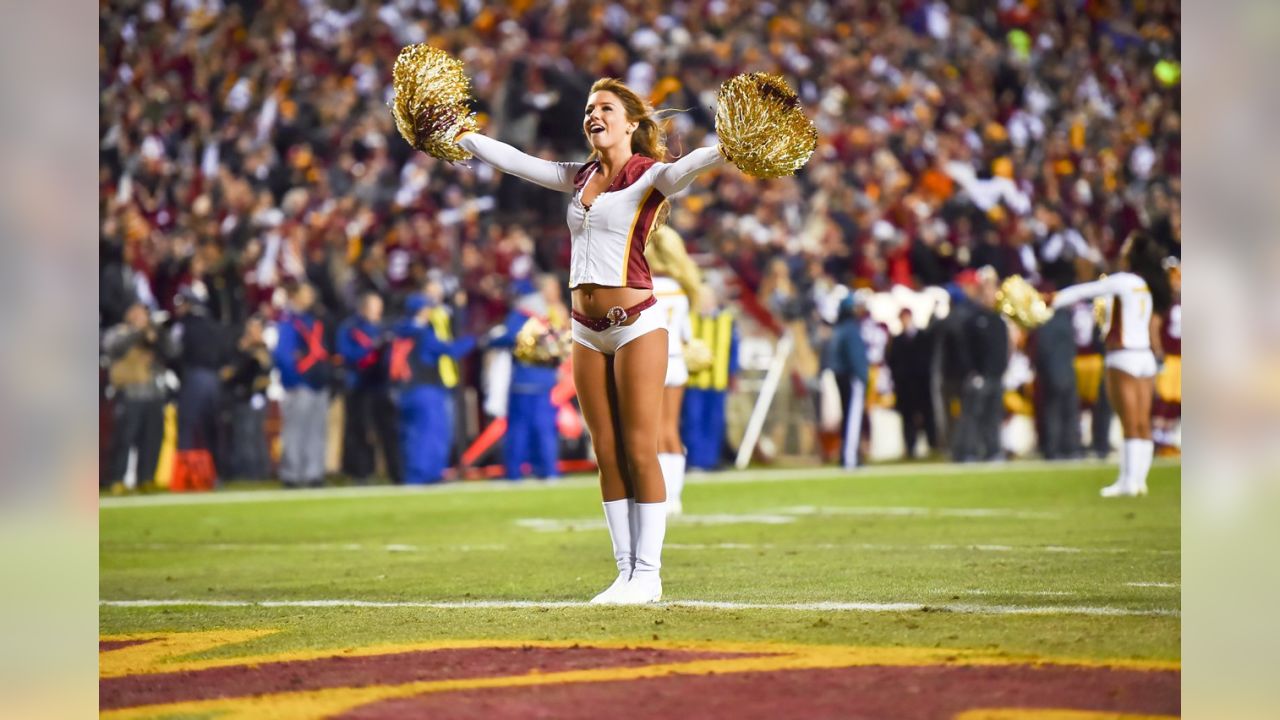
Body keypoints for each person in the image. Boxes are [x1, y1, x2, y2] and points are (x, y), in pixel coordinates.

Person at [453, 78, 741, 604]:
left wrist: (729, 145)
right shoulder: (579, 175)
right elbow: (516, 161)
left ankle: (649, 574)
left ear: (630, 122)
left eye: (605, 107)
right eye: (589, 109)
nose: (593, 115)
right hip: (584, 330)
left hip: (636, 323)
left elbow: (688, 166)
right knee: (605, 450)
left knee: (638, 445)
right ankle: (625, 571)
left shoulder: (648, 176)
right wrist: (461, 137)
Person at [1050, 233, 1173, 496]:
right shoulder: (1148, 284)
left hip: (1124, 357)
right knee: (1142, 422)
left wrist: (1052, 299)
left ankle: (1128, 482)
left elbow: (1085, 290)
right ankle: (1139, 481)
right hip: (1145, 358)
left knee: (1129, 422)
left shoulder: (1125, 280)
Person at [389, 291, 476, 485]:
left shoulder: (398, 332)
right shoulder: (423, 334)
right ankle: (428, 475)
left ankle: (411, 476)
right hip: (426, 390)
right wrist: (474, 339)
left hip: (404, 391)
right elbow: (452, 351)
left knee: (411, 435)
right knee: (432, 434)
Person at [487, 276, 567, 481]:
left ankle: (514, 473)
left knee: (518, 430)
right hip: (545, 382)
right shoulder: (544, 318)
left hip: (523, 382)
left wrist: (491, 339)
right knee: (545, 429)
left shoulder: (521, 316)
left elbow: (509, 337)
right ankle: (548, 470)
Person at [645, 226, 702, 514]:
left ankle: (656, 496)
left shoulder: (644, 288)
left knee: (651, 431)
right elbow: (688, 336)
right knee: (670, 429)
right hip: (676, 361)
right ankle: (674, 498)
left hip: (649, 364)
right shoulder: (680, 291)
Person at [168, 288, 231, 490]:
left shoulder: (183, 326)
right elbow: (224, 350)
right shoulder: (213, 325)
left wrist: (179, 373)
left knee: (186, 427)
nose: (179, 308)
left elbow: (173, 352)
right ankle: (215, 476)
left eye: (182, 304)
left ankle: (185, 477)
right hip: (213, 378)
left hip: (194, 376)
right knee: (211, 430)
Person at [102, 303, 169, 492]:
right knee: (125, 437)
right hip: (129, 392)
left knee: (152, 438)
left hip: (154, 392)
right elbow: (113, 348)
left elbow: (172, 352)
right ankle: (117, 478)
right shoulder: (118, 332)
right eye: (137, 313)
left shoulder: (152, 334)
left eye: (144, 314)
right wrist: (137, 332)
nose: (142, 317)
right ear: (128, 314)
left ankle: (146, 478)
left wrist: (157, 337)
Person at [336, 292, 401, 485]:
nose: (377, 312)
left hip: (381, 385)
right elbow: (347, 355)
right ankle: (361, 473)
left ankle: (395, 472)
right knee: (360, 430)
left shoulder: (384, 327)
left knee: (388, 430)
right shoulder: (349, 328)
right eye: (374, 308)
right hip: (359, 385)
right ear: (363, 308)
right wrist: (372, 349)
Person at [272, 283, 332, 489]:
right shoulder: (288, 321)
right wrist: (295, 379)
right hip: (300, 384)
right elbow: (282, 355)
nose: (311, 297)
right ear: (295, 295)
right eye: (306, 293)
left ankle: (314, 473)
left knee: (317, 430)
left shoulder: (312, 319)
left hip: (316, 383)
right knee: (295, 430)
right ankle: (292, 474)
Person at [953, 269, 1010, 462]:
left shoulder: (999, 319)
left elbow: (1004, 348)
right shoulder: (973, 318)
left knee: (993, 417)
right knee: (972, 416)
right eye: (986, 291)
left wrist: (1003, 370)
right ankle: (968, 452)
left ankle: (993, 451)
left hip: (996, 376)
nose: (990, 295)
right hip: (979, 377)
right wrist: (972, 372)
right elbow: (965, 350)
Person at [682, 288, 738, 471]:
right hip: (693, 381)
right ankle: (694, 460)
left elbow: (734, 349)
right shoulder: (689, 319)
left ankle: (710, 460)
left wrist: (733, 373)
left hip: (717, 380)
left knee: (715, 422)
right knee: (693, 420)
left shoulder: (726, 321)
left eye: (708, 298)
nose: (705, 303)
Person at [221, 315, 273, 480]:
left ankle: (256, 472)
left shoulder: (262, 349)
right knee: (243, 435)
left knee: (253, 434)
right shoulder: (239, 349)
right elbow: (230, 373)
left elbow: (264, 370)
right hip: (241, 396)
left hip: (256, 397)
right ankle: (245, 471)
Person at [824, 294, 870, 469]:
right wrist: (863, 377)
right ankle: (850, 457)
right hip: (851, 377)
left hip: (840, 375)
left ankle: (848, 454)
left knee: (848, 415)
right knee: (853, 417)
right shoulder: (851, 329)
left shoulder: (839, 328)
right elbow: (856, 357)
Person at [1030, 306, 1081, 460]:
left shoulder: (1046, 323)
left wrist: (1041, 370)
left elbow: (1042, 350)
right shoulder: (1067, 321)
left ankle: (1053, 449)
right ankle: (1071, 448)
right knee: (1069, 412)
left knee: (1053, 412)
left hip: (1052, 373)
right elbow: (1073, 347)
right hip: (1068, 371)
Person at [885, 308, 936, 459]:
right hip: (905, 385)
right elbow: (891, 361)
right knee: (907, 418)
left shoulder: (923, 336)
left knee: (927, 415)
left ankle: (932, 445)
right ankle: (910, 447)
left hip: (921, 383)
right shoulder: (898, 340)